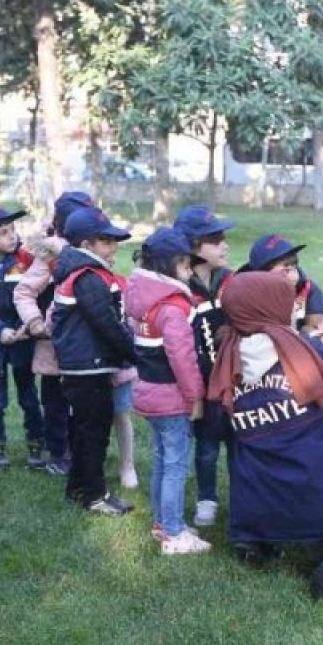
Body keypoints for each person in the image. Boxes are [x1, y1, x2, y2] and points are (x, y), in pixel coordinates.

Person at [207, 272, 323, 599]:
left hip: (255, 509)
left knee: (256, 507)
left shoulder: (224, 361)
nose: (296, 309)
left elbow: (215, 430)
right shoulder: (307, 354)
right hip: (320, 498)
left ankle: (254, 544)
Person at [126, 228, 211, 554]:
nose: (191, 272)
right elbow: (183, 358)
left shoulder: (145, 300)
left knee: (163, 459)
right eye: (187, 266)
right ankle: (175, 535)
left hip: (147, 393)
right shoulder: (173, 308)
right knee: (176, 464)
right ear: (171, 265)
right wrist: (196, 397)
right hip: (172, 399)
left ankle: (163, 522)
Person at [51, 206, 137, 515]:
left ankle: (76, 488)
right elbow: (106, 322)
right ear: (87, 245)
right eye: (106, 241)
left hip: (86, 366)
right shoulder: (88, 277)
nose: (114, 247)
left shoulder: (84, 272)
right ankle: (95, 495)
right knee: (94, 433)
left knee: (84, 429)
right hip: (88, 366)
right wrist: (134, 353)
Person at [14, 190, 95, 476]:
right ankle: (58, 451)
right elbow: (24, 291)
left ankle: (83, 449)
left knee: (87, 400)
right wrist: (36, 323)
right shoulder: (50, 255)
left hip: (89, 345)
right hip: (56, 345)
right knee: (56, 401)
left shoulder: (96, 249)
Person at [173, 204, 236, 527]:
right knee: (208, 446)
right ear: (193, 246)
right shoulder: (180, 289)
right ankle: (206, 500)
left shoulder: (230, 280)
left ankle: (243, 497)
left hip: (235, 382)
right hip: (201, 386)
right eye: (216, 239)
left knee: (240, 443)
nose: (225, 245)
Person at [0, 203, 45, 470]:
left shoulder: (25, 262)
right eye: (3, 233)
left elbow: (35, 295)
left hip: (23, 338)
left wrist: (24, 326)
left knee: (29, 394)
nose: (12, 237)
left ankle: (37, 443)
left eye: (13, 231)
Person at [241, 234, 323, 335]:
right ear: (261, 276)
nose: (294, 277)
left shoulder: (306, 289)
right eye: (284, 272)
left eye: (294, 267)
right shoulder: (244, 297)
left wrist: (316, 329)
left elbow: (317, 325)